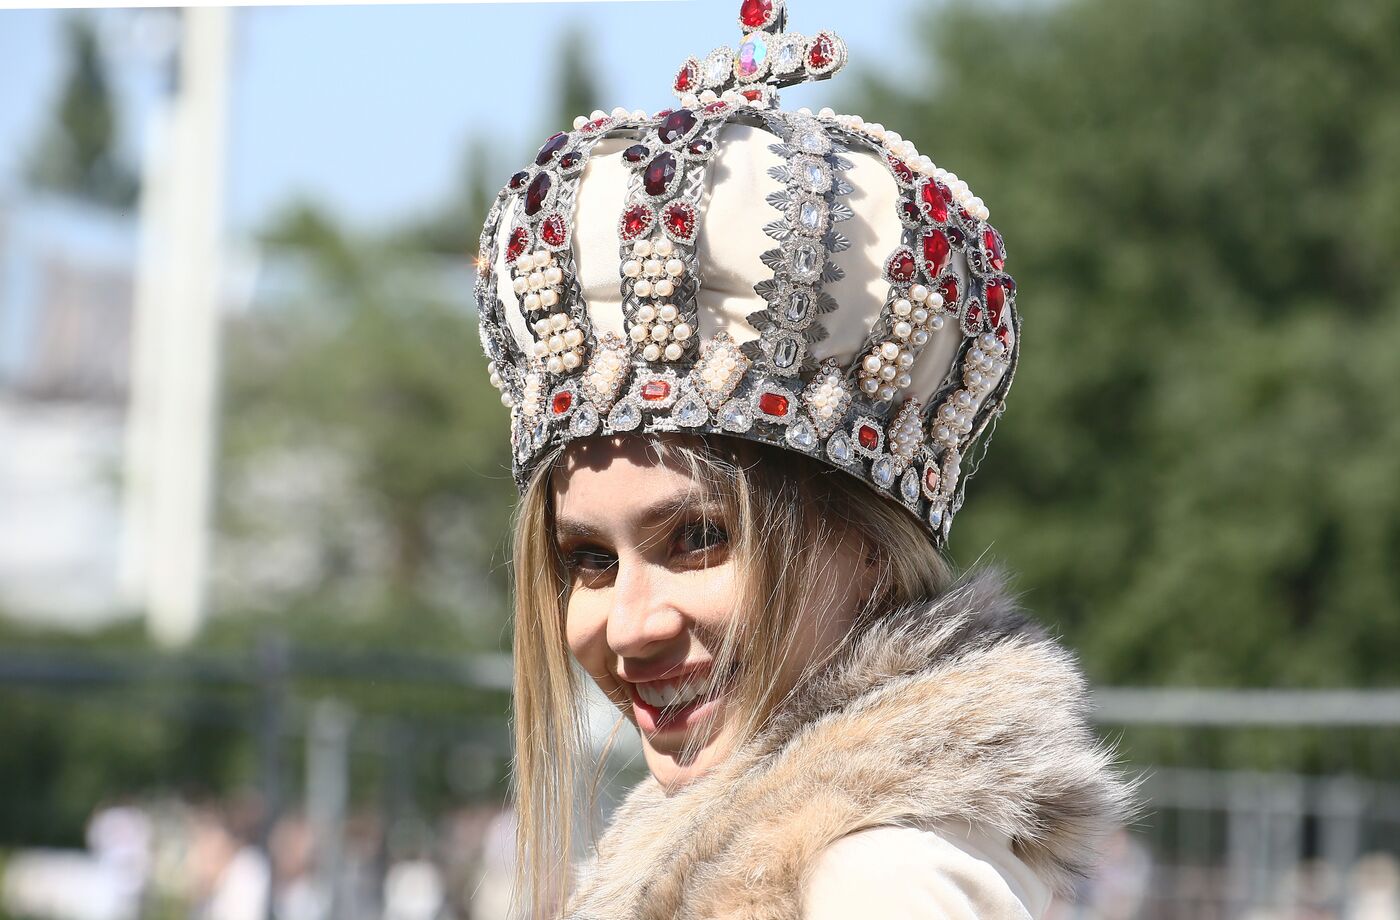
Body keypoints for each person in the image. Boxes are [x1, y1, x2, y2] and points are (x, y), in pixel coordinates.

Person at [473, 2, 1139, 917]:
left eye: (699, 538)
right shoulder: (738, 845)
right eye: (589, 559)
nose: (626, 626)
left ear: (867, 549)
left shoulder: (874, 879)